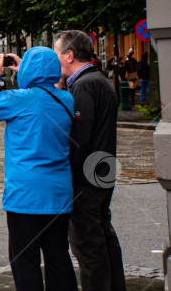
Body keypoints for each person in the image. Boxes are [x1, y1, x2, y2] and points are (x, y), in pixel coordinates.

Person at [0, 47, 77, 291]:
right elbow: (48, 92)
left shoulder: (18, 99)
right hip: (58, 194)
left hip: (25, 195)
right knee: (58, 258)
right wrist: (29, 73)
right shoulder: (66, 100)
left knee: (25, 261)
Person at [53, 30, 127, 291]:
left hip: (86, 177)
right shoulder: (98, 80)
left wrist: (66, 176)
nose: (54, 59)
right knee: (103, 237)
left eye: (56, 53)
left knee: (88, 246)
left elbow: (79, 139)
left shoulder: (84, 85)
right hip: (102, 169)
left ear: (69, 55)